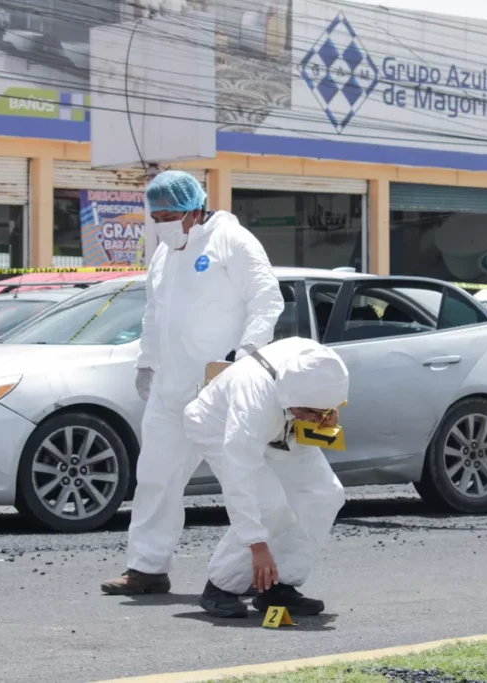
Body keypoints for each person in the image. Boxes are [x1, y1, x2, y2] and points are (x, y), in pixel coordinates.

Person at [101, 170, 285, 596]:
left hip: (218, 389)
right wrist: (147, 364)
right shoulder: (163, 255)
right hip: (169, 390)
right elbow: (153, 314)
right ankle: (147, 567)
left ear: (195, 209)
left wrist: (245, 359)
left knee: (243, 479)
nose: (162, 224)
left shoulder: (232, 241)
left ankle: (262, 572)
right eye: (156, 217)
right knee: (155, 477)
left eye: (169, 216)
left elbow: (266, 299)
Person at [182, 336, 348, 618]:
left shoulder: (322, 366)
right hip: (217, 426)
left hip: (281, 430)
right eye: (314, 414)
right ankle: (221, 586)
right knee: (269, 506)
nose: (319, 420)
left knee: (324, 494)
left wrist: (326, 415)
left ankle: (278, 586)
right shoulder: (253, 397)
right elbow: (240, 473)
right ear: (294, 400)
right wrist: (257, 546)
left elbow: (317, 408)